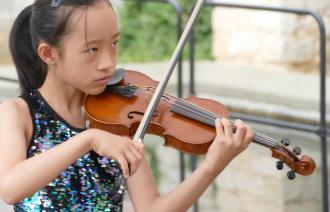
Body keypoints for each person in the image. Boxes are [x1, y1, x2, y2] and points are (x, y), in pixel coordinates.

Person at [0, 0, 254, 211]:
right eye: (92, 49)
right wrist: (88, 139)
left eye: (114, 44)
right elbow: (10, 189)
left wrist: (211, 167)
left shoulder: (117, 118)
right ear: (49, 54)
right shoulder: (17, 114)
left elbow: (151, 209)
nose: (107, 63)